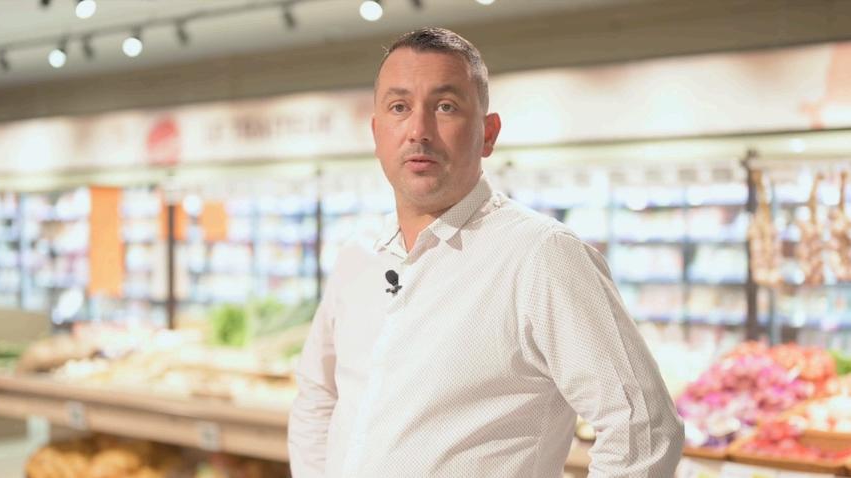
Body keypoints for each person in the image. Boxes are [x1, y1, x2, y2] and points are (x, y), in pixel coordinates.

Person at [287, 27, 684, 478]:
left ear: (488, 133)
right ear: (377, 133)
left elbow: (644, 430)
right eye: (399, 107)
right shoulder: (358, 257)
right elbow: (317, 396)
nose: (418, 130)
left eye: (445, 106)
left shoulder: (541, 256)